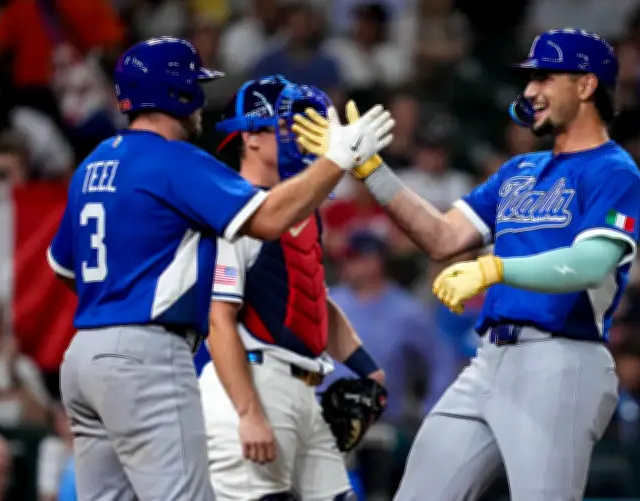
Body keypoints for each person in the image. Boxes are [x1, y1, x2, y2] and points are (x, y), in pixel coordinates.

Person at [292, 28, 640, 501]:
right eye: (529, 80)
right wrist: (369, 169)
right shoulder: (519, 170)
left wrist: (494, 270)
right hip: (489, 360)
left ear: (586, 85)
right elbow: (442, 237)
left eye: (544, 78)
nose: (529, 92)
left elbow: (592, 263)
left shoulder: (616, 172)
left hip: (562, 360)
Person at [47, 38, 395, 501]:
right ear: (178, 94)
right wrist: (339, 159)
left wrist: (118, 299)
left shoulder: (92, 164)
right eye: (194, 86)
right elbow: (268, 219)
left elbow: (64, 267)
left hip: (84, 356)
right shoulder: (175, 159)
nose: (201, 101)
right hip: (147, 352)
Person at [199, 75, 386, 501]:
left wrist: (368, 369)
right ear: (250, 137)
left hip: (304, 392)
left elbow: (312, 294)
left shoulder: (302, 211)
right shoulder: (233, 210)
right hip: (252, 384)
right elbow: (218, 320)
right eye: (289, 127)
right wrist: (248, 413)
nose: (303, 139)